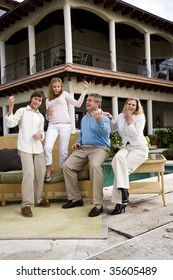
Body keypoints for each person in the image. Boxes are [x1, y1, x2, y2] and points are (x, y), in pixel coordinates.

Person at [62, 93, 111, 217]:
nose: (87, 102)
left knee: (94, 165)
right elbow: (82, 134)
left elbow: (106, 133)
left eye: (90, 100)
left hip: (100, 148)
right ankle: (76, 199)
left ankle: (98, 205)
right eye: (87, 100)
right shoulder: (84, 118)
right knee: (67, 166)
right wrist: (78, 142)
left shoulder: (103, 116)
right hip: (84, 148)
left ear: (97, 104)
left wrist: (99, 121)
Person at [5, 90, 50, 218]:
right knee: (29, 175)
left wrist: (40, 134)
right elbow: (10, 123)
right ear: (31, 99)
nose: (37, 101)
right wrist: (11, 107)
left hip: (38, 148)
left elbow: (42, 132)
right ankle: (26, 205)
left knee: (40, 173)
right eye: (35, 99)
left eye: (40, 100)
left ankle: (39, 199)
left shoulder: (40, 116)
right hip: (25, 148)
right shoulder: (22, 111)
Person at [44, 77, 91, 182]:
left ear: (61, 87)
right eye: (54, 86)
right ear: (51, 87)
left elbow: (78, 104)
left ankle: (63, 170)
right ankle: (48, 171)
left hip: (65, 125)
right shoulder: (48, 100)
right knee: (47, 147)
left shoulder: (64, 94)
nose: (56, 88)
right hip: (52, 125)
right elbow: (48, 118)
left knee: (63, 151)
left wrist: (85, 90)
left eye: (58, 86)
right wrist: (47, 114)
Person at [108, 97, 149, 215]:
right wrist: (111, 119)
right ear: (125, 105)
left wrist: (130, 120)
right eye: (129, 104)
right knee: (117, 159)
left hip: (139, 148)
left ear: (136, 107)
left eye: (133, 105)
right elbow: (114, 129)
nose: (130, 106)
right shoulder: (120, 116)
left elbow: (135, 136)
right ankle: (124, 191)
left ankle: (120, 203)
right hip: (126, 147)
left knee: (122, 170)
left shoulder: (140, 117)